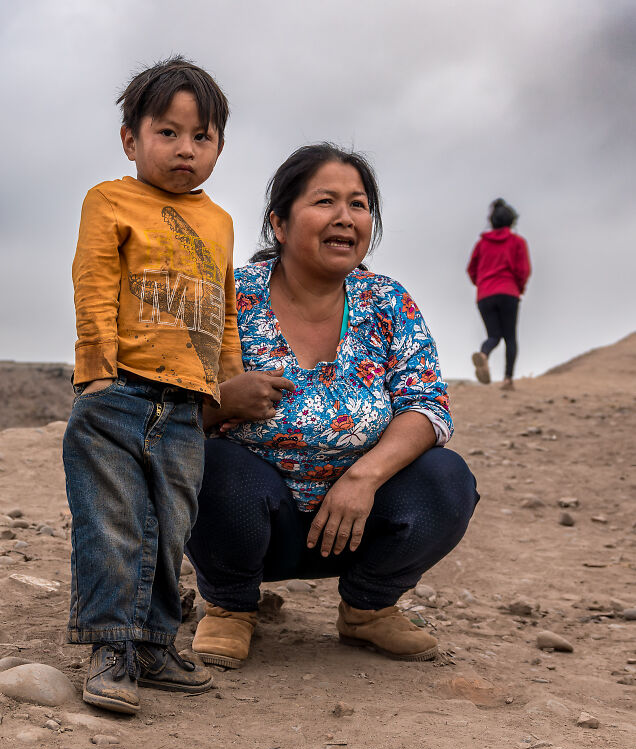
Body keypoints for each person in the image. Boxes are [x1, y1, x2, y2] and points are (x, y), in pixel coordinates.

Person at [186, 143, 479, 669]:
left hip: (358, 520)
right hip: (254, 518)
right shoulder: (229, 295)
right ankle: (230, 606)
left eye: (359, 204)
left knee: (446, 478)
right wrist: (220, 402)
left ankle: (368, 608)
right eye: (325, 201)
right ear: (279, 223)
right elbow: (165, 411)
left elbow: (427, 406)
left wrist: (363, 479)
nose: (345, 217)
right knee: (210, 466)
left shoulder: (386, 301)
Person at [62, 57, 243, 714]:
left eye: (203, 137)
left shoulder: (219, 221)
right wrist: (97, 377)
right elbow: (94, 288)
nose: (186, 150)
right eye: (169, 133)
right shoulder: (110, 200)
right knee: (111, 523)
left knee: (170, 527)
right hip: (120, 393)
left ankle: (155, 642)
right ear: (130, 139)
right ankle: (111, 645)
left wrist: (223, 389)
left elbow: (224, 311)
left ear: (219, 145)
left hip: (186, 406)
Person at [467, 198, 531, 390]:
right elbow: (523, 270)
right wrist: (518, 287)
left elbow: (472, 269)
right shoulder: (517, 242)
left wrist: (482, 284)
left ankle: (484, 355)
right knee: (510, 337)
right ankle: (507, 379)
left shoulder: (481, 244)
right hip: (508, 292)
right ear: (512, 221)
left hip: (485, 294)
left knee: (494, 335)